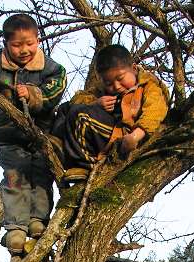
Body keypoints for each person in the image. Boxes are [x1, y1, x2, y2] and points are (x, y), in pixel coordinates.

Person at [0, 14, 67, 262]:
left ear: (38, 40)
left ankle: (38, 221)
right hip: (9, 134)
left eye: (29, 44)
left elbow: (55, 90)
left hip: (43, 134)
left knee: (41, 177)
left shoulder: (51, 67)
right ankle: (16, 228)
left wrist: (34, 93)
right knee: (15, 177)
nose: (24, 50)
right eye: (17, 45)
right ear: (5, 43)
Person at [55, 45, 169, 182]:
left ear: (133, 68)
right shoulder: (102, 91)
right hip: (105, 130)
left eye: (120, 78)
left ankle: (86, 166)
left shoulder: (149, 86)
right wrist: (95, 104)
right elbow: (79, 99)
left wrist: (135, 136)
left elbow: (154, 112)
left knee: (81, 117)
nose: (116, 86)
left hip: (124, 134)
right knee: (66, 107)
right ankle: (57, 144)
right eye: (108, 83)